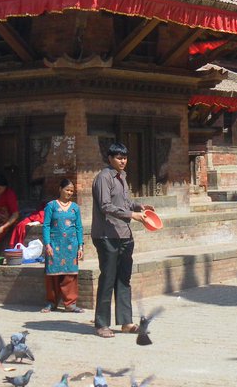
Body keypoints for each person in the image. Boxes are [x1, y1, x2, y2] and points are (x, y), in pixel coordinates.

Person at [91, 142, 155, 338]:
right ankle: (102, 324)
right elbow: (105, 206)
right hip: (106, 235)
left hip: (124, 234)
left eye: (125, 158)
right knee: (108, 278)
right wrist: (131, 215)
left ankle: (126, 322)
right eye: (119, 158)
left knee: (124, 279)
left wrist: (138, 206)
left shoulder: (123, 177)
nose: (122, 161)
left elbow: (124, 202)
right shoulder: (104, 177)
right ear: (110, 158)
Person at [42, 179, 84, 313]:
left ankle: (70, 304)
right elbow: (46, 225)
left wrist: (80, 246)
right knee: (52, 274)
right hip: (54, 244)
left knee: (70, 274)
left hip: (71, 245)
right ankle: (51, 302)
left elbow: (79, 227)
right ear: (60, 189)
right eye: (67, 190)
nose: (69, 193)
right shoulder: (51, 206)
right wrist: (47, 244)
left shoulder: (75, 207)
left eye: (72, 191)